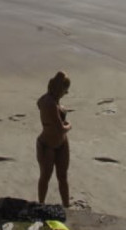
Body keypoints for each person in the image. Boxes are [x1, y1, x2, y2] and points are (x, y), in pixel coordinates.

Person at [36, 71, 72, 208]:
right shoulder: (50, 103)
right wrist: (69, 125)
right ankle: (41, 204)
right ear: (60, 88)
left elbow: (38, 105)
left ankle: (67, 206)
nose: (66, 93)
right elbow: (61, 129)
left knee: (62, 177)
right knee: (45, 176)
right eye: (66, 90)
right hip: (47, 145)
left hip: (62, 143)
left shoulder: (47, 99)